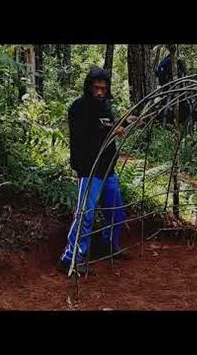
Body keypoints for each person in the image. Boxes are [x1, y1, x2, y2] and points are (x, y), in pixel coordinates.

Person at [58, 67, 132, 275]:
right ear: (89, 87)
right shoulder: (79, 108)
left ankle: (108, 246)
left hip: (108, 169)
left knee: (116, 210)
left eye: (103, 89)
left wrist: (126, 121)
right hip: (90, 170)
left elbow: (109, 124)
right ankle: (70, 258)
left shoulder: (105, 107)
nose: (99, 92)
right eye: (96, 88)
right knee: (85, 215)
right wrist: (110, 131)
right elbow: (84, 135)